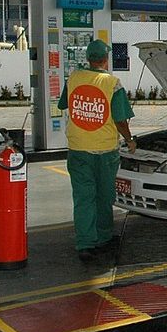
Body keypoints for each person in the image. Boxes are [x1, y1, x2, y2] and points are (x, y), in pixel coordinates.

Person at [58, 39, 137, 261]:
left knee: (83, 198)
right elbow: (121, 120)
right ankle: (103, 238)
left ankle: (85, 243)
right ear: (105, 59)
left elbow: (64, 104)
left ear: (89, 59)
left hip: (78, 149)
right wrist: (129, 140)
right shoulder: (112, 83)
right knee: (104, 196)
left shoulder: (74, 78)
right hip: (104, 151)